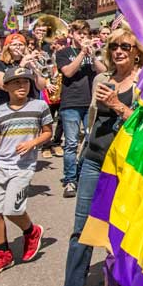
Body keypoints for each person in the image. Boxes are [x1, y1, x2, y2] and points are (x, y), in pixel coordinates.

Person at [48, 29, 142, 286]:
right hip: (94, 161)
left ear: (137, 50)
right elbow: (93, 120)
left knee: (126, 233)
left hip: (128, 167)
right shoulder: (102, 79)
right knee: (82, 229)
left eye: (125, 46)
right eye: (113, 46)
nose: (118, 51)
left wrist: (117, 104)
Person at [0, 66, 48, 278]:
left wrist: (32, 143)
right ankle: (3, 254)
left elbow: (47, 133)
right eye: (16, 83)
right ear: (5, 86)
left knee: (13, 210)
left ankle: (31, 231)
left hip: (22, 166)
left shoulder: (39, 106)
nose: (22, 86)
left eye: (26, 82)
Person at [53, 22, 96, 198]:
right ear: (72, 34)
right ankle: (70, 179)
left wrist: (93, 57)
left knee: (89, 141)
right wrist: (82, 54)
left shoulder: (92, 51)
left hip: (90, 102)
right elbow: (68, 72)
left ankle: (82, 173)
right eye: (79, 33)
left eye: (86, 33)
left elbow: (103, 70)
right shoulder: (63, 53)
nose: (83, 36)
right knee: (71, 144)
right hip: (71, 102)